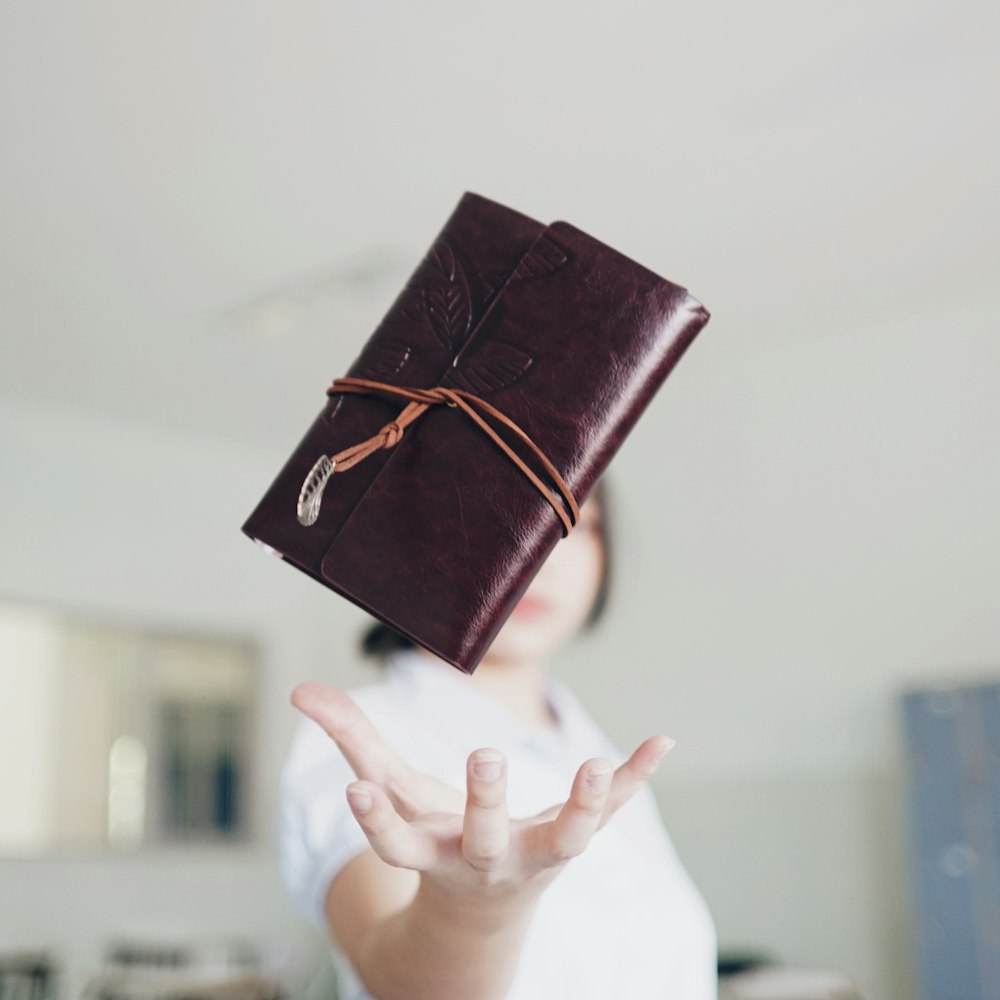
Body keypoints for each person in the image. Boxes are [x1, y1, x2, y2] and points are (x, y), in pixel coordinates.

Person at [277, 476, 718, 999]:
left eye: (575, 526)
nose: (544, 557)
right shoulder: (364, 739)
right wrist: (473, 909)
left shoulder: (603, 756)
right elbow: (397, 976)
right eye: (509, 516)